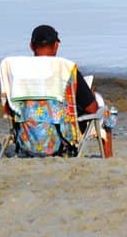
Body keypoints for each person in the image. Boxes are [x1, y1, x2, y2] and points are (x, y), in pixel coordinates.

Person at [15, 23, 114, 157]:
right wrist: (89, 95)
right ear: (56, 46)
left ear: (31, 46)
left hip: (26, 141)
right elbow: (92, 109)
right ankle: (108, 158)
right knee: (104, 109)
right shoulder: (66, 71)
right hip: (60, 143)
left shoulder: (18, 72)